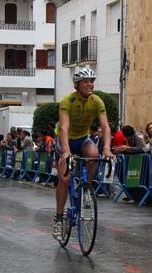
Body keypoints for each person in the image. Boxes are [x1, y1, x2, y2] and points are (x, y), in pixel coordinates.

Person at [53, 67, 113, 237]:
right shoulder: (67, 101)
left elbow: (106, 126)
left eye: (92, 81)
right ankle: (58, 217)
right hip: (66, 140)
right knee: (64, 179)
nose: (90, 84)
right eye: (86, 81)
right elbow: (63, 128)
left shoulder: (97, 101)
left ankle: (86, 188)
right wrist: (66, 152)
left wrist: (107, 148)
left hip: (83, 139)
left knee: (94, 155)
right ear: (77, 84)